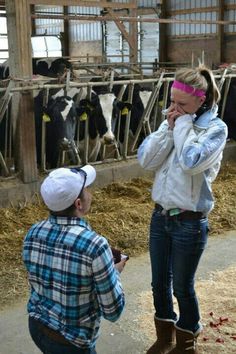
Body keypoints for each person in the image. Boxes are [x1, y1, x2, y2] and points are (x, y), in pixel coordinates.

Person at [137, 65, 228, 354]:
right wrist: (168, 128)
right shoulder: (173, 121)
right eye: (172, 102)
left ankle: (186, 342)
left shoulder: (215, 129)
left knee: (183, 288)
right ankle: (165, 337)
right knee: (159, 283)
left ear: (201, 101)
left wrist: (184, 127)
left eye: (182, 104)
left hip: (189, 222)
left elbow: (191, 162)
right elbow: (146, 161)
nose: (173, 109)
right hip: (160, 216)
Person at [23, 165, 127, 354]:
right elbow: (113, 311)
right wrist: (114, 272)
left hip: (37, 327)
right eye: (87, 189)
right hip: (72, 342)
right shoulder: (95, 245)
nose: (90, 192)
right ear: (78, 204)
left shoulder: (33, 232)